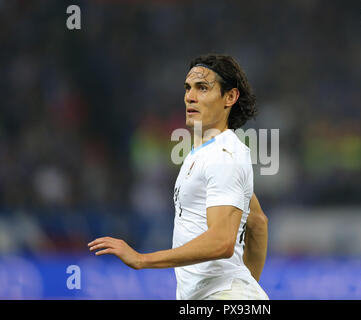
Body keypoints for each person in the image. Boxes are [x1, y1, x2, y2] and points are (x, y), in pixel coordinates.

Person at [88, 53, 269, 300]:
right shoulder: (206, 152)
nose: (190, 97)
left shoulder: (224, 155)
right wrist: (246, 287)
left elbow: (222, 242)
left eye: (203, 88)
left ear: (230, 97)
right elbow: (257, 222)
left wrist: (142, 259)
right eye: (188, 88)